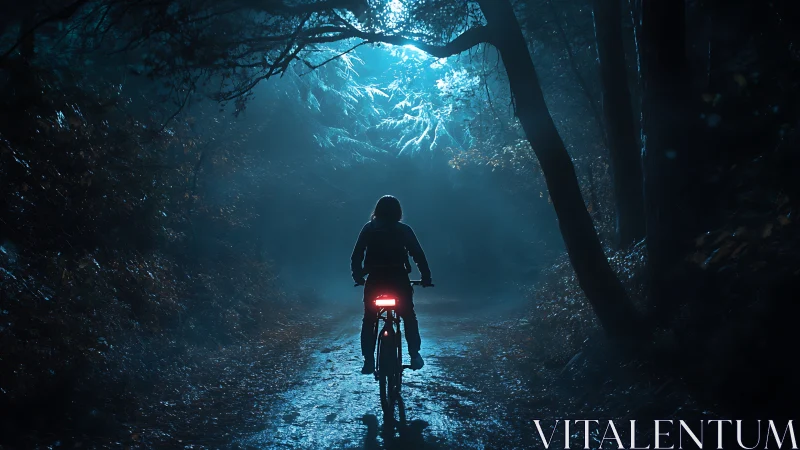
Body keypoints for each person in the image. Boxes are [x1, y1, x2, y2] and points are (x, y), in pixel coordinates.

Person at [351, 195, 432, 375]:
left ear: (377, 210)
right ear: (398, 212)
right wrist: (426, 277)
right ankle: (414, 354)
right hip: (399, 279)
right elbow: (418, 255)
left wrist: (357, 276)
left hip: (375, 280)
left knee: (369, 319)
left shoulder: (369, 229)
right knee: (408, 316)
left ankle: (369, 361)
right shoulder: (404, 230)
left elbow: (356, 255)